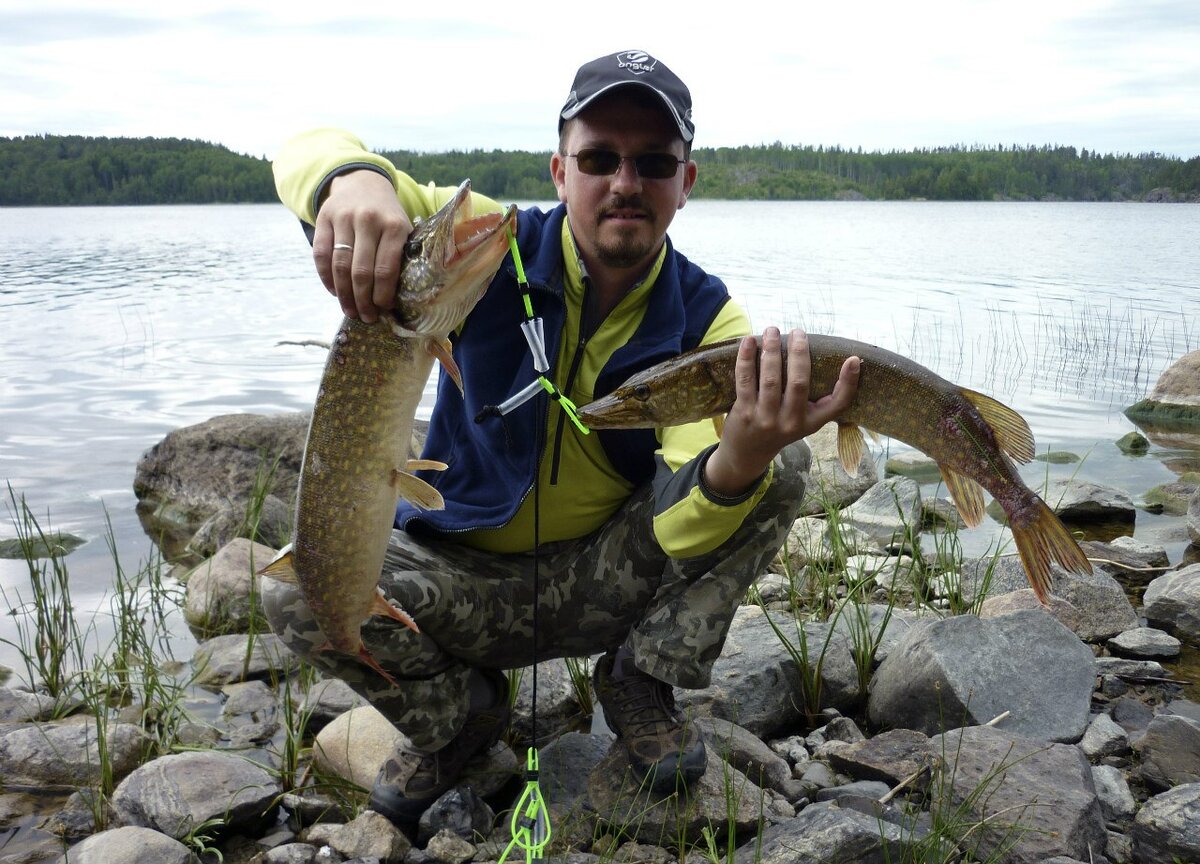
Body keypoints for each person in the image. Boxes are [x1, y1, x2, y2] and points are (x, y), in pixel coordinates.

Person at [265, 49, 859, 826]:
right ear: (558, 170)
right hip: (459, 574)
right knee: (296, 591)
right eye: (599, 158)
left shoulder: (709, 322)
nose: (623, 182)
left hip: (601, 582)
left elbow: (681, 526)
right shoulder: (481, 245)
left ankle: (640, 678)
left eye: (652, 161)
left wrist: (739, 458)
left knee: (775, 469)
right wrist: (354, 182)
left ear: (686, 182)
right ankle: (464, 722)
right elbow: (301, 152)